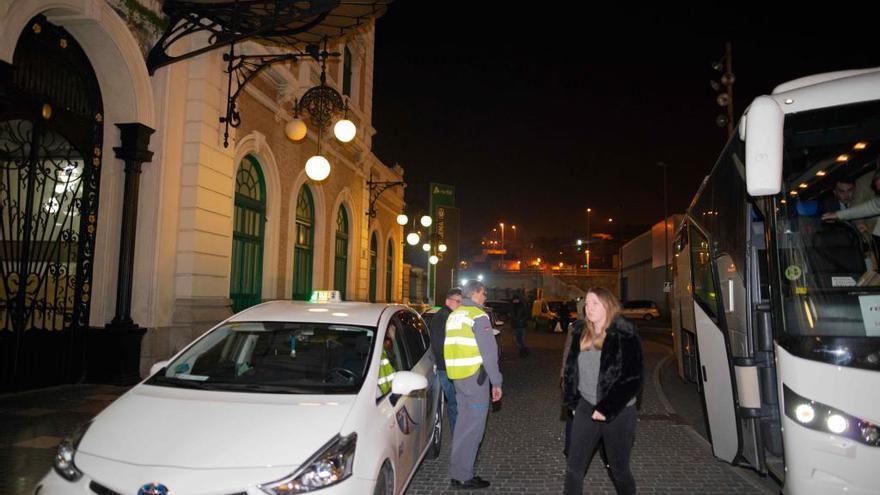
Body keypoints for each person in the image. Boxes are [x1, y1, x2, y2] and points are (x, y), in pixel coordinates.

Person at [562, 287, 643, 495]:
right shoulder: (580, 331)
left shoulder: (625, 332)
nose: (589, 308)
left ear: (608, 305)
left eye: (595, 303)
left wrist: (606, 408)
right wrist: (572, 402)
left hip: (618, 412)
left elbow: (632, 379)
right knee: (574, 466)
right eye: (587, 303)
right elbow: (571, 369)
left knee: (619, 469)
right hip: (585, 408)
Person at [444, 280, 503, 490]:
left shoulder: (455, 314)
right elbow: (489, 353)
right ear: (475, 293)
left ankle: (458, 472)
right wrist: (496, 382)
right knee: (473, 429)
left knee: (462, 426)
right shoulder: (478, 315)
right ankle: (463, 477)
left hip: (458, 378)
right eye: (484, 293)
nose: (485, 297)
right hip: (475, 379)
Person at [428, 287, 463, 433]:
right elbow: (440, 346)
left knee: (456, 403)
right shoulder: (443, 318)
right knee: (455, 404)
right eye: (458, 302)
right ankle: (458, 436)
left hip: (449, 368)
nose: (460, 305)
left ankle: (459, 435)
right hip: (447, 369)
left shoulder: (449, 316)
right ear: (448, 301)